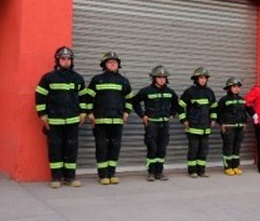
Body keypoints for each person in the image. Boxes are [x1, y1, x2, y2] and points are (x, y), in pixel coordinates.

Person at [35, 46, 86, 188]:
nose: (66, 61)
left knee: (71, 149)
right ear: (57, 60)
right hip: (54, 121)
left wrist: (83, 112)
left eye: (69, 59)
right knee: (55, 148)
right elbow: (40, 96)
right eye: (63, 59)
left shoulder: (77, 78)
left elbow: (83, 97)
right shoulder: (48, 78)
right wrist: (43, 115)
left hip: (72, 121)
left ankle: (70, 178)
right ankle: (56, 178)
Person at [85, 52, 133, 185]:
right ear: (104, 65)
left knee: (115, 146)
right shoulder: (97, 79)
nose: (113, 64)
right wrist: (89, 113)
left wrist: (127, 112)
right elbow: (88, 98)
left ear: (118, 65)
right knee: (101, 146)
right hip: (100, 120)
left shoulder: (123, 81)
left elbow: (130, 98)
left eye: (115, 62)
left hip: (117, 120)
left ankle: (112, 173)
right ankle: (103, 175)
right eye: (110, 62)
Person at [132, 65, 178, 182]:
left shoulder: (170, 92)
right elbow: (135, 102)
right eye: (159, 77)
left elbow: (176, 104)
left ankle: (159, 172)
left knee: (162, 148)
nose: (162, 79)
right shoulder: (146, 91)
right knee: (152, 148)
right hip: (151, 124)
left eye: (164, 77)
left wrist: (172, 114)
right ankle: (151, 172)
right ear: (154, 78)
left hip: (164, 124)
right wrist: (143, 116)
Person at [178, 67, 217, 178]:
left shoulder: (210, 92)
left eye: (205, 78)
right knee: (193, 149)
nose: (203, 80)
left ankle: (201, 171)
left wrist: (213, 119)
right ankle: (192, 171)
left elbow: (214, 107)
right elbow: (180, 106)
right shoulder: (190, 92)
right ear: (196, 79)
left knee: (203, 150)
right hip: (193, 127)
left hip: (205, 127)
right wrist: (184, 120)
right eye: (201, 78)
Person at [217, 77, 247, 176]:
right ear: (229, 88)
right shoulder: (224, 100)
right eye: (234, 86)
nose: (237, 89)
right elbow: (218, 113)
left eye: (238, 87)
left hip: (240, 127)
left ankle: (235, 166)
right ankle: (228, 167)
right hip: (229, 127)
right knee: (228, 147)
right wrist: (221, 124)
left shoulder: (242, 100)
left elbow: (244, 112)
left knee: (237, 147)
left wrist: (245, 122)